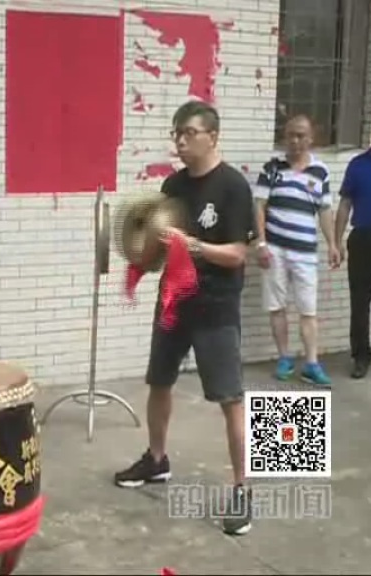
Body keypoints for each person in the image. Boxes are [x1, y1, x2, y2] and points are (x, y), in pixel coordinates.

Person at [113, 101, 255, 536]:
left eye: (189, 132)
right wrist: (140, 256)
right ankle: (156, 460)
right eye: (176, 132)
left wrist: (193, 246)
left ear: (213, 136)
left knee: (229, 398)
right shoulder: (172, 185)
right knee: (159, 381)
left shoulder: (233, 187)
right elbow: (157, 246)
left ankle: (242, 488)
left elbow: (237, 254)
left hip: (216, 306)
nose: (180, 140)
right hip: (174, 302)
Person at [252, 115, 339, 386]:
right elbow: (259, 207)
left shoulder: (320, 171)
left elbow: (325, 211)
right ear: (284, 137)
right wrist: (261, 243)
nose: (295, 140)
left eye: (301, 135)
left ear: (311, 138)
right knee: (277, 306)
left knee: (308, 310)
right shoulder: (272, 168)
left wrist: (333, 244)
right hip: (274, 250)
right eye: (291, 134)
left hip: (305, 253)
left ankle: (311, 364)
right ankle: (284, 358)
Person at [334, 106, 371, 379]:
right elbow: (345, 204)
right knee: (360, 303)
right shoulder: (358, 165)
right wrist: (336, 241)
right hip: (364, 240)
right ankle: (361, 356)